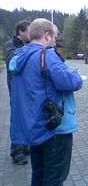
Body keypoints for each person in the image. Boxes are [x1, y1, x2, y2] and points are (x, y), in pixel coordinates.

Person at [9, 18, 83, 186]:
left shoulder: (19, 56)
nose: (56, 39)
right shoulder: (47, 55)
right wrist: (77, 75)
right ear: (47, 35)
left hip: (33, 126)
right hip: (53, 127)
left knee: (39, 173)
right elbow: (71, 82)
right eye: (55, 35)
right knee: (55, 178)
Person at [3, 20, 31, 165]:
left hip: (28, 88)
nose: (31, 33)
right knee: (17, 119)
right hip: (15, 89)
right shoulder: (10, 45)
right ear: (21, 31)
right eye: (29, 30)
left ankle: (25, 146)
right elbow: (11, 63)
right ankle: (17, 153)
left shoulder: (28, 45)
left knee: (26, 117)